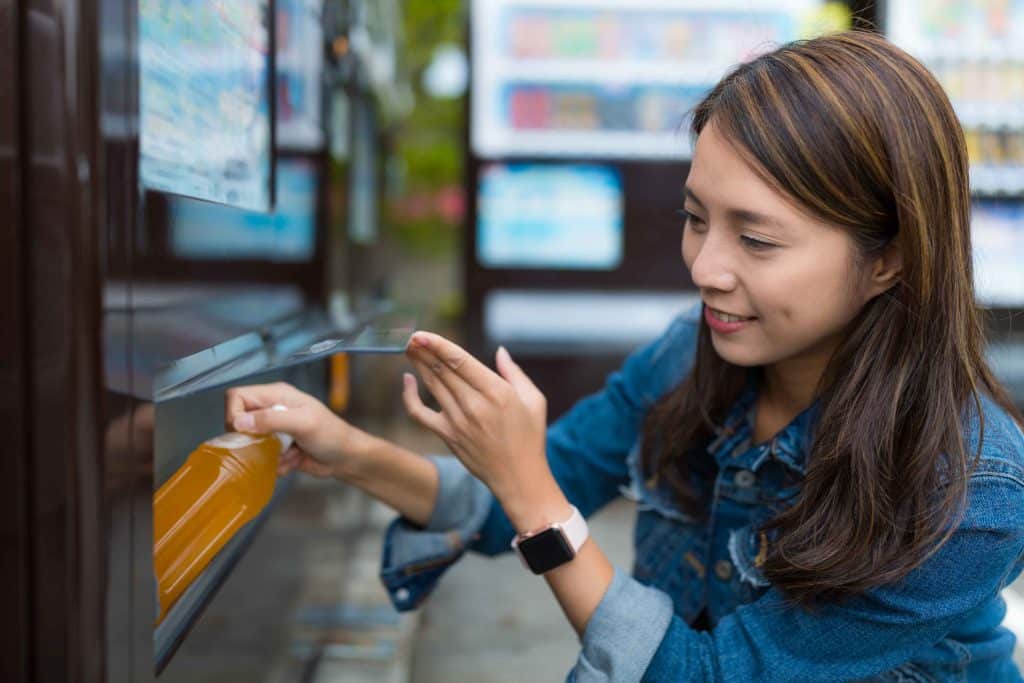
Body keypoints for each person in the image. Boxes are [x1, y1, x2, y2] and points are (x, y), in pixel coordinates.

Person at [226, 31, 1024, 681]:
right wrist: (346, 448)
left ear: (889, 257)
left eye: (756, 238)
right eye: (694, 217)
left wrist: (532, 491)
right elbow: (523, 490)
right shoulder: (690, 356)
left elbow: (704, 673)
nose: (705, 268)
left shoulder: (970, 487)